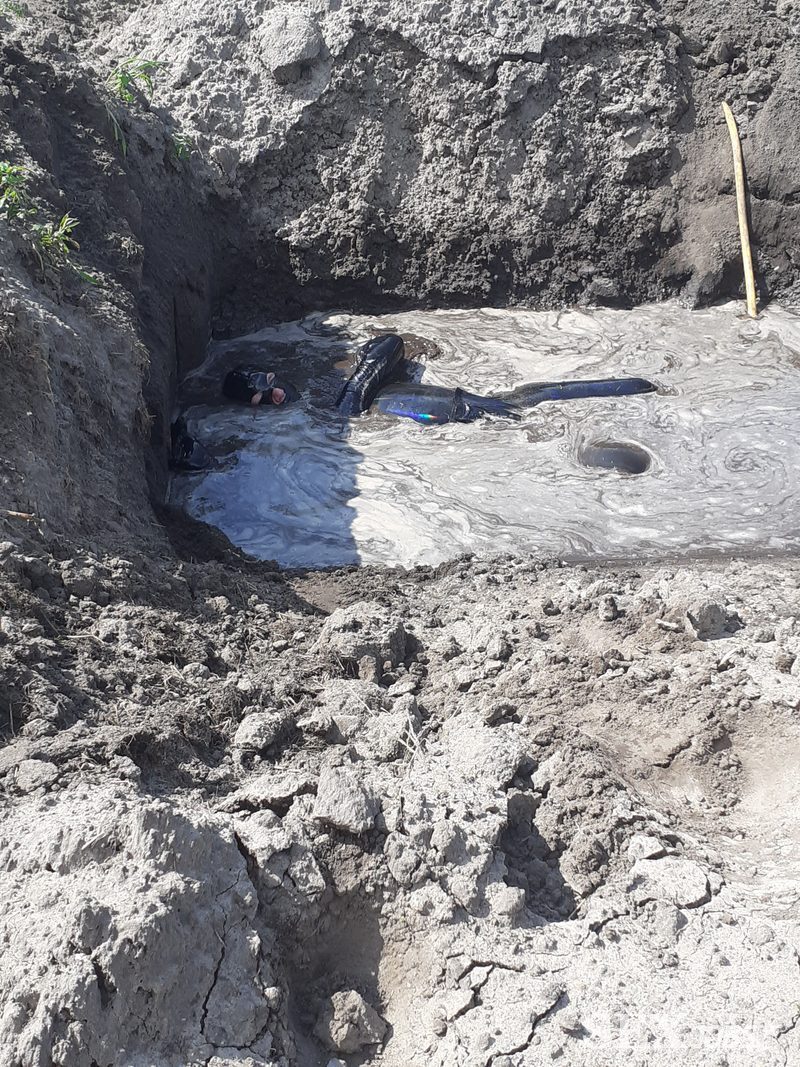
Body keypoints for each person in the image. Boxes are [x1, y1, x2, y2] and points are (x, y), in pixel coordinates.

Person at [221, 333, 656, 425]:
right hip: (415, 408)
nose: (275, 396)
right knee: (514, 408)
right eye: (262, 401)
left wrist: (361, 379)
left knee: (519, 403)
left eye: (268, 386)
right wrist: (358, 389)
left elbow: (391, 343)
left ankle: (640, 388)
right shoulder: (301, 419)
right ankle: (641, 389)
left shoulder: (317, 369)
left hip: (414, 399)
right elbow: (348, 413)